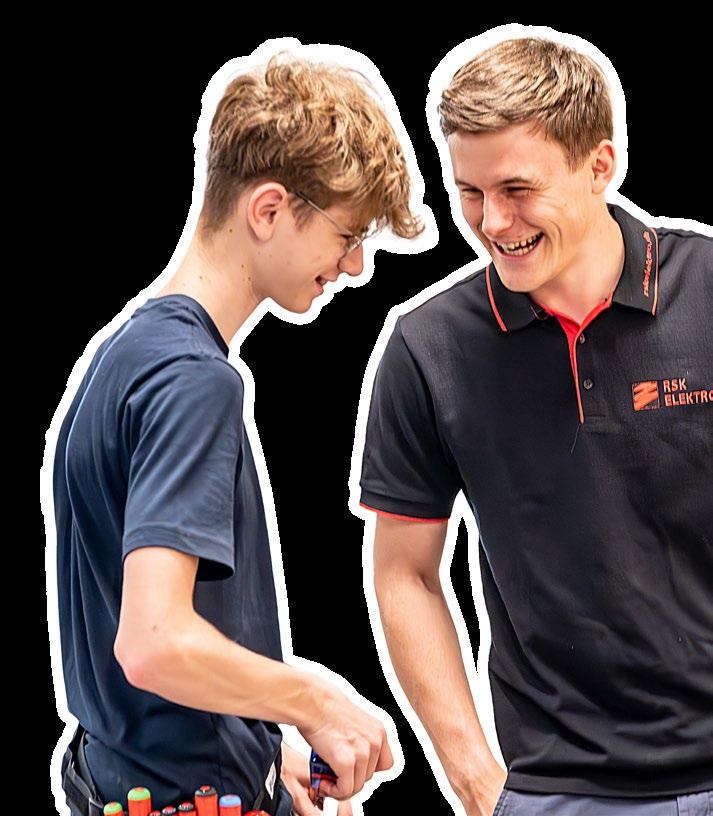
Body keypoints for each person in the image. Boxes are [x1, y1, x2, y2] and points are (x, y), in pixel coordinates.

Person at [50, 49, 425, 816]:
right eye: (347, 233)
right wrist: (313, 700)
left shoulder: (124, 355)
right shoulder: (194, 381)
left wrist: (254, 744)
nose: (355, 265)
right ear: (268, 210)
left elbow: (132, 663)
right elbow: (154, 642)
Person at [356, 35, 712, 816]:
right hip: (556, 792)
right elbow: (405, 573)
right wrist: (473, 777)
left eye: (517, 188)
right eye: (469, 192)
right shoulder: (428, 348)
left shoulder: (708, 292)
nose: (493, 221)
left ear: (600, 166)